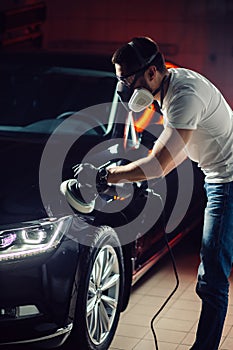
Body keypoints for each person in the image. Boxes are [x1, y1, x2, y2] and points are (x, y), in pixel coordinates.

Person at [105, 37, 233, 350]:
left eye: (127, 79)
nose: (124, 88)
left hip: (228, 182)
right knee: (214, 268)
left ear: (150, 73)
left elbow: (159, 165)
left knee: (212, 275)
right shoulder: (172, 85)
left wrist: (110, 175)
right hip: (219, 177)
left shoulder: (184, 96)